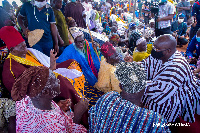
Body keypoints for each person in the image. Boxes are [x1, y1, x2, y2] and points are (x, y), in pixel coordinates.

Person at [0, 26, 89, 127]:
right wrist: (53, 102)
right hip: (40, 92)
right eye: (21, 47)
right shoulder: (11, 70)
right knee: (62, 82)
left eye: (25, 45)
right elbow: (26, 94)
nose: (25, 49)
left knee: (72, 63)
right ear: (12, 49)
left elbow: (43, 65)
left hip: (48, 73)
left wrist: (51, 65)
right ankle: (81, 114)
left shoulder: (28, 52)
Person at [89, 61, 170, 132]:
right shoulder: (153, 119)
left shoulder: (107, 98)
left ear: (120, 85)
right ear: (145, 87)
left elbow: (92, 119)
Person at [141, 35, 200, 124]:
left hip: (174, 95)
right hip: (167, 88)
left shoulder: (176, 66)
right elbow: (146, 64)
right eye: (154, 46)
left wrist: (135, 84)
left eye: (156, 48)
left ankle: (167, 125)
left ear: (169, 51)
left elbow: (160, 89)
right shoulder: (161, 54)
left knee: (161, 108)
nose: (154, 50)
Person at [13, 66, 88, 132]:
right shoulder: (50, 127)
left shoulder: (26, 99)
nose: (58, 81)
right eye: (55, 80)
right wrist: (77, 115)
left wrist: (57, 108)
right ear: (45, 92)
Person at [56, 28, 104, 107]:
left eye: (82, 41)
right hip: (83, 78)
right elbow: (60, 62)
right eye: (78, 42)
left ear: (84, 40)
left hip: (95, 74)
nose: (80, 44)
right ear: (74, 41)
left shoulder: (90, 45)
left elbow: (99, 55)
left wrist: (97, 48)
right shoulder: (69, 49)